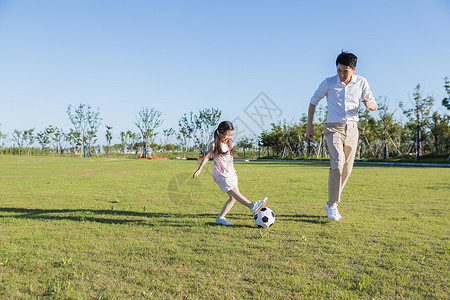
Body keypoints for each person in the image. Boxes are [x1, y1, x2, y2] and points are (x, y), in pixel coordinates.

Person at [306, 51, 377, 221]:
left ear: (353, 69)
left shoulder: (362, 82)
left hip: (352, 129)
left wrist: (369, 105)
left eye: (345, 71)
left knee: (347, 169)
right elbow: (313, 102)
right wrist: (310, 125)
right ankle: (332, 205)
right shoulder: (328, 82)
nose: (341, 74)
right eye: (339, 70)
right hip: (333, 128)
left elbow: (374, 104)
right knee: (337, 164)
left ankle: (331, 202)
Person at [193, 121, 268, 225]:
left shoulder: (229, 143)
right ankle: (252, 206)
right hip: (220, 173)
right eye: (227, 135)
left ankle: (220, 218)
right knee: (233, 191)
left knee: (233, 198)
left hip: (230, 172)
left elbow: (230, 157)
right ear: (220, 132)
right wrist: (199, 169)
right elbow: (207, 156)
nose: (229, 137)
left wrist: (233, 168)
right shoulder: (214, 144)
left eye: (231, 135)